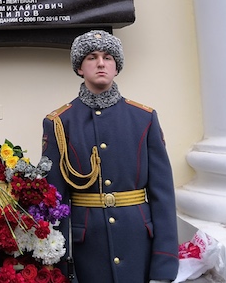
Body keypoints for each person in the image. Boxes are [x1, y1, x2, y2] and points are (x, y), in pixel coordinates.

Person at [42, 30, 179, 283]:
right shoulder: (60, 122)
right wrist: (59, 266)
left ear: (117, 67)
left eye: (108, 57)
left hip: (138, 243)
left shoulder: (144, 118)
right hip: (86, 249)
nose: (101, 63)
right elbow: (56, 201)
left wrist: (164, 264)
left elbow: (163, 197)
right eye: (92, 57)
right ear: (80, 68)